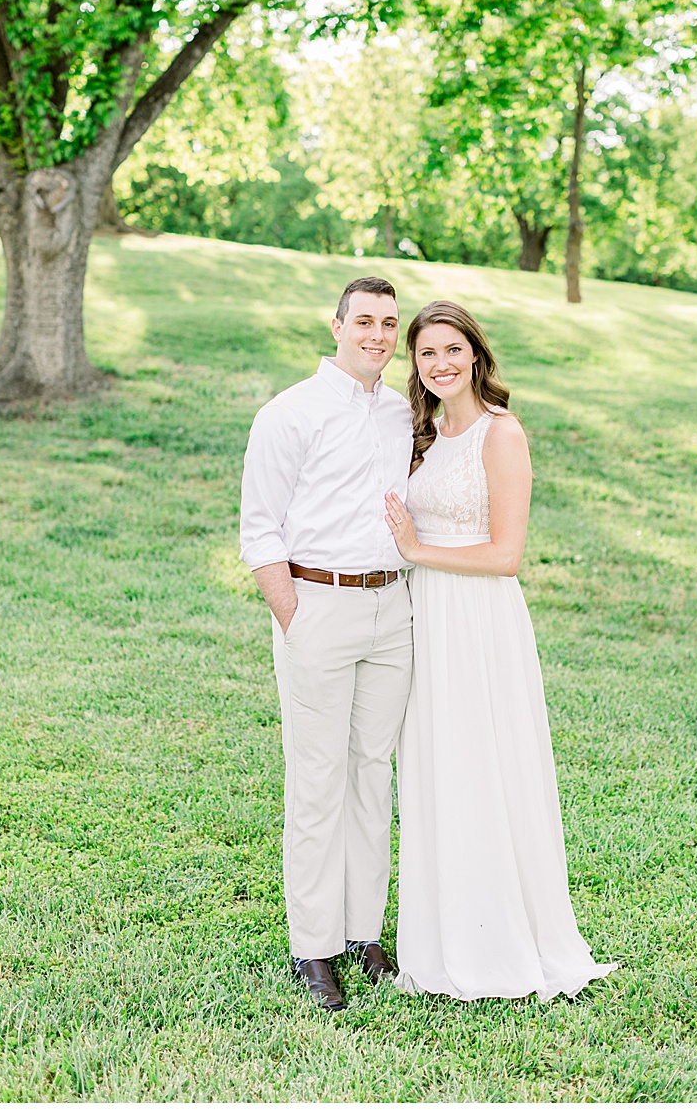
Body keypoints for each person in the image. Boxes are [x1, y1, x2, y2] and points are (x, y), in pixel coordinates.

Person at [382, 299, 617, 1001]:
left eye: (453, 349)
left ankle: (501, 938)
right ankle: (444, 937)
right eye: (427, 353)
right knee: (435, 768)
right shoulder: (424, 435)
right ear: (417, 365)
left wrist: (419, 550)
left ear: (476, 356)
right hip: (424, 614)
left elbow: (508, 554)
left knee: (483, 763)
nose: (441, 363)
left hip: (479, 619)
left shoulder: (500, 433)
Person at [239, 276, 414, 1012]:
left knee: (373, 776)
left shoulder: (403, 412)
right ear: (337, 325)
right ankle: (312, 948)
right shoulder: (290, 412)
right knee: (317, 782)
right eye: (364, 321)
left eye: (389, 324)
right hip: (319, 606)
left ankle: (361, 933)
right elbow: (260, 528)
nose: (377, 335)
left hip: (393, 611)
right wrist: (294, 614)